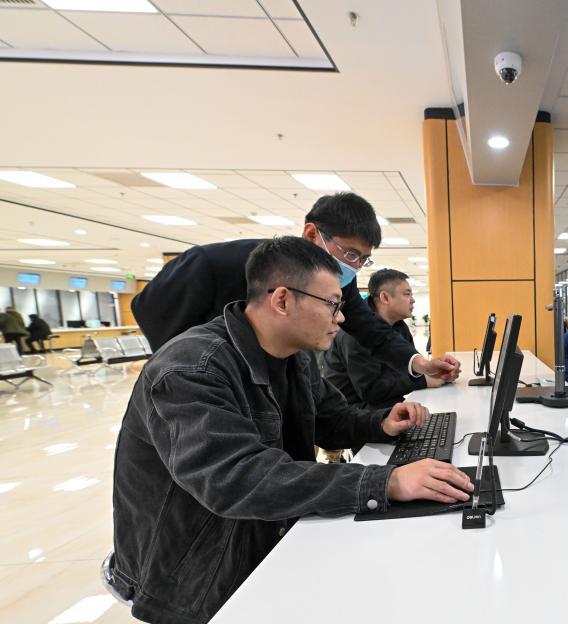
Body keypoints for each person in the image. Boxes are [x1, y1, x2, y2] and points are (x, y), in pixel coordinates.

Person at [108, 237, 473, 624]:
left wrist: (381, 422)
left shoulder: (294, 356)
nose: (341, 319)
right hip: (196, 579)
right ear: (282, 300)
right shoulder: (191, 368)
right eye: (332, 304)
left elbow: (331, 420)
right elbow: (235, 478)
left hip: (261, 540)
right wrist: (386, 482)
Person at [130, 192, 460, 382]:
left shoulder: (335, 281)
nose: (354, 266)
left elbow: (369, 329)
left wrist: (419, 363)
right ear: (311, 234)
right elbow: (152, 311)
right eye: (350, 254)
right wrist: (193, 370)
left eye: (363, 259)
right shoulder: (214, 264)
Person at [324, 269, 442, 409]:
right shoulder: (356, 333)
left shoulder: (399, 326)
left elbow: (407, 369)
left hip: (387, 404)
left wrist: (428, 370)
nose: (413, 300)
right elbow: (372, 391)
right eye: (407, 294)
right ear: (385, 297)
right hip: (355, 412)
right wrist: (423, 381)